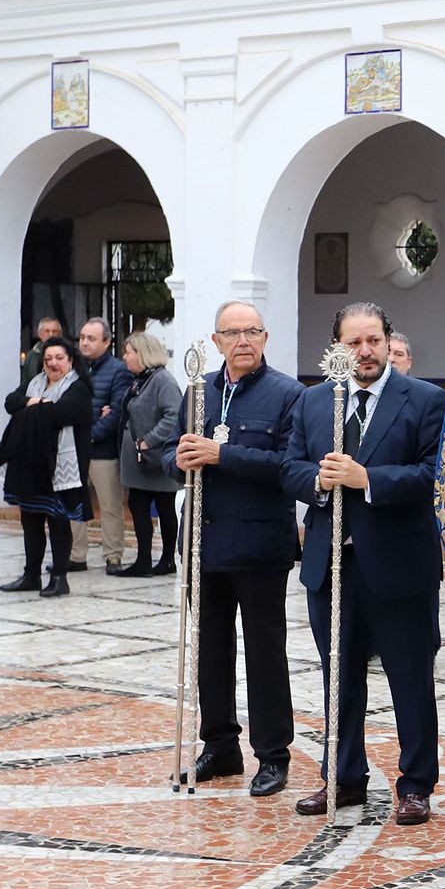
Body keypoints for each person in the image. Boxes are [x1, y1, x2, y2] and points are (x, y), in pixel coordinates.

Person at [281, 302, 445, 824]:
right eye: (353, 343)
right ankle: (343, 777)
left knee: (409, 677)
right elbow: (290, 467)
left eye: (373, 340)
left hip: (398, 564)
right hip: (331, 566)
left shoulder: (424, 399)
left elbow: (433, 474)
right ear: (337, 348)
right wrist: (318, 480)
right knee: (340, 676)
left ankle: (416, 784)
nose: (365, 351)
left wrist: (367, 479)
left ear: (387, 341)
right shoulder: (312, 403)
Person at [172, 301, 303, 797]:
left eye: (253, 331)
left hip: (259, 544)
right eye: (233, 332)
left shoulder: (288, 394)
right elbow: (172, 451)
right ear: (216, 340)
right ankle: (220, 745)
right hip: (204, 541)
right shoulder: (199, 390)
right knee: (210, 649)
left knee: (265, 652)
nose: (243, 340)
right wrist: (179, 457)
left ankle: (272, 754)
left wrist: (222, 454)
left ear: (265, 338)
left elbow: (289, 464)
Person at [0, 337, 93, 598]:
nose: (53, 363)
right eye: (48, 359)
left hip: (60, 466)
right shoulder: (34, 383)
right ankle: (31, 575)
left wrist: (29, 407)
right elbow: (10, 402)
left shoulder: (79, 387)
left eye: (59, 358)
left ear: (70, 360)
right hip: (30, 464)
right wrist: (34, 402)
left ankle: (60, 578)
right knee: (30, 520)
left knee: (58, 522)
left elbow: (63, 413)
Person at [114, 332, 182, 577]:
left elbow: (172, 416)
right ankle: (143, 560)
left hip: (156, 459)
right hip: (138, 462)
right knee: (138, 506)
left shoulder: (162, 380)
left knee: (165, 508)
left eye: (129, 351)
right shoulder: (140, 379)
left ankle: (167, 560)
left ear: (142, 353)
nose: (125, 356)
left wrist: (148, 441)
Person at [71, 318, 132, 572]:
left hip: (102, 451)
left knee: (109, 504)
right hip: (72, 448)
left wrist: (90, 434)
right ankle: (75, 555)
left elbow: (117, 411)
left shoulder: (118, 370)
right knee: (72, 502)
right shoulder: (71, 367)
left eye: (91, 338)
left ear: (106, 342)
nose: (84, 342)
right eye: (82, 337)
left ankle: (113, 555)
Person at [21, 316, 63, 385]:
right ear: (39, 333)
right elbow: (25, 381)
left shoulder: (68, 355)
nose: (51, 334)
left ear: (60, 334)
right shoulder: (32, 355)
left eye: (54, 331)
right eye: (47, 331)